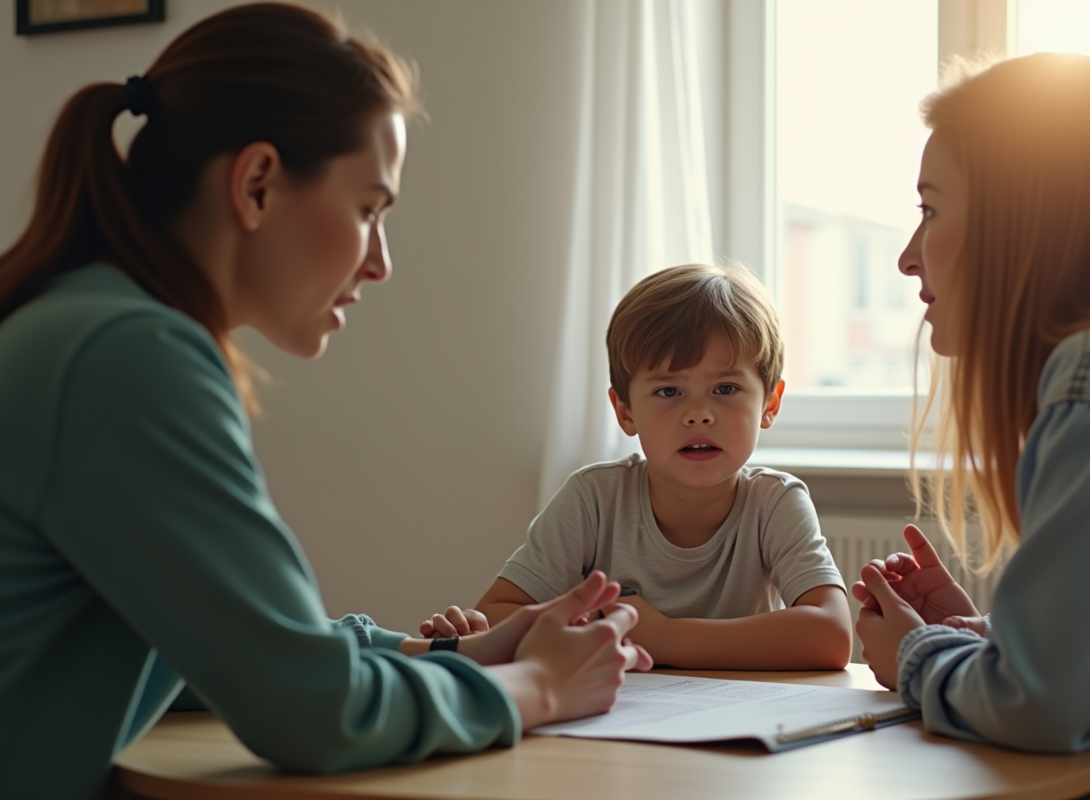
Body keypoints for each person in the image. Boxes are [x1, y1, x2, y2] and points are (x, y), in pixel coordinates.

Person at [0, 5, 651, 799]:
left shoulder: (92, 328)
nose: (380, 262)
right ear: (258, 183)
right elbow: (311, 712)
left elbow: (232, 650)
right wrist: (539, 689)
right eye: (369, 209)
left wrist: (453, 655)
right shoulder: (126, 358)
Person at [852, 53, 1090, 800]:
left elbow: (1042, 708)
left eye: (931, 210)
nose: (910, 258)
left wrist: (915, 653)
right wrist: (986, 636)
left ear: (1019, 218)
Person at [425, 264, 852, 671]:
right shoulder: (593, 498)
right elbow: (497, 612)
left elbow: (832, 636)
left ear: (769, 404)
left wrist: (665, 637)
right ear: (625, 411)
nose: (699, 413)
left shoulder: (775, 503)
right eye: (669, 390)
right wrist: (487, 634)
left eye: (726, 388)